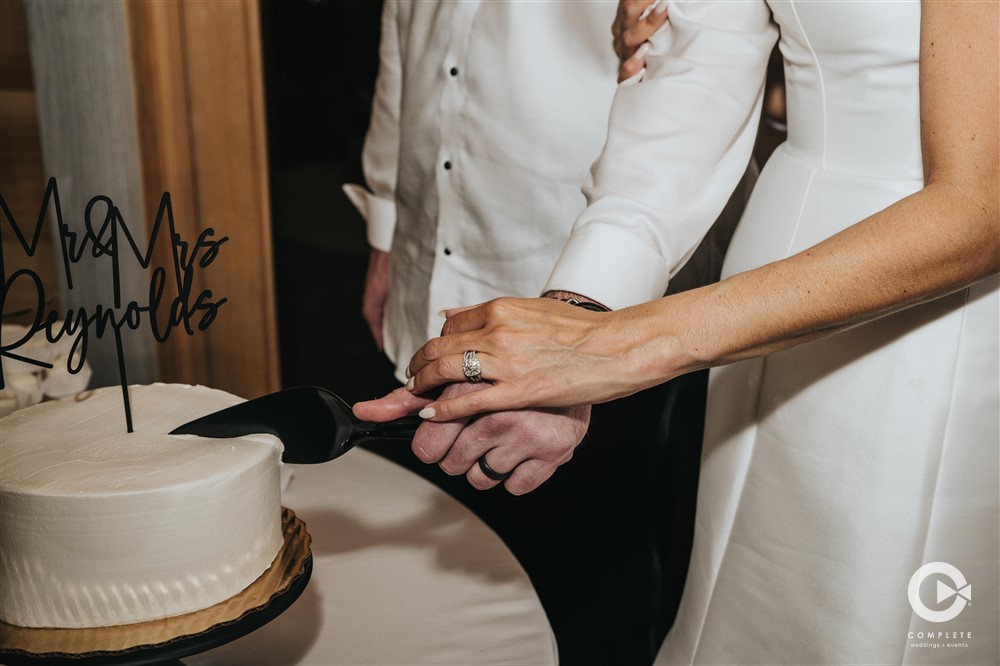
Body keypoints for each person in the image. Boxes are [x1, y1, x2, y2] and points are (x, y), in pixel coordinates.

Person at [356, 0, 999, 662]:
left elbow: (982, 206)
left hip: (954, 315)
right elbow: (698, 66)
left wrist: (620, 346)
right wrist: (583, 306)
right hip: (774, 285)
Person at [343, 2, 746, 662]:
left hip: (598, 270)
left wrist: (588, 324)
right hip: (434, 251)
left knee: (594, 583)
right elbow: (404, 26)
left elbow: (700, 68)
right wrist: (388, 223)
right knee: (441, 571)